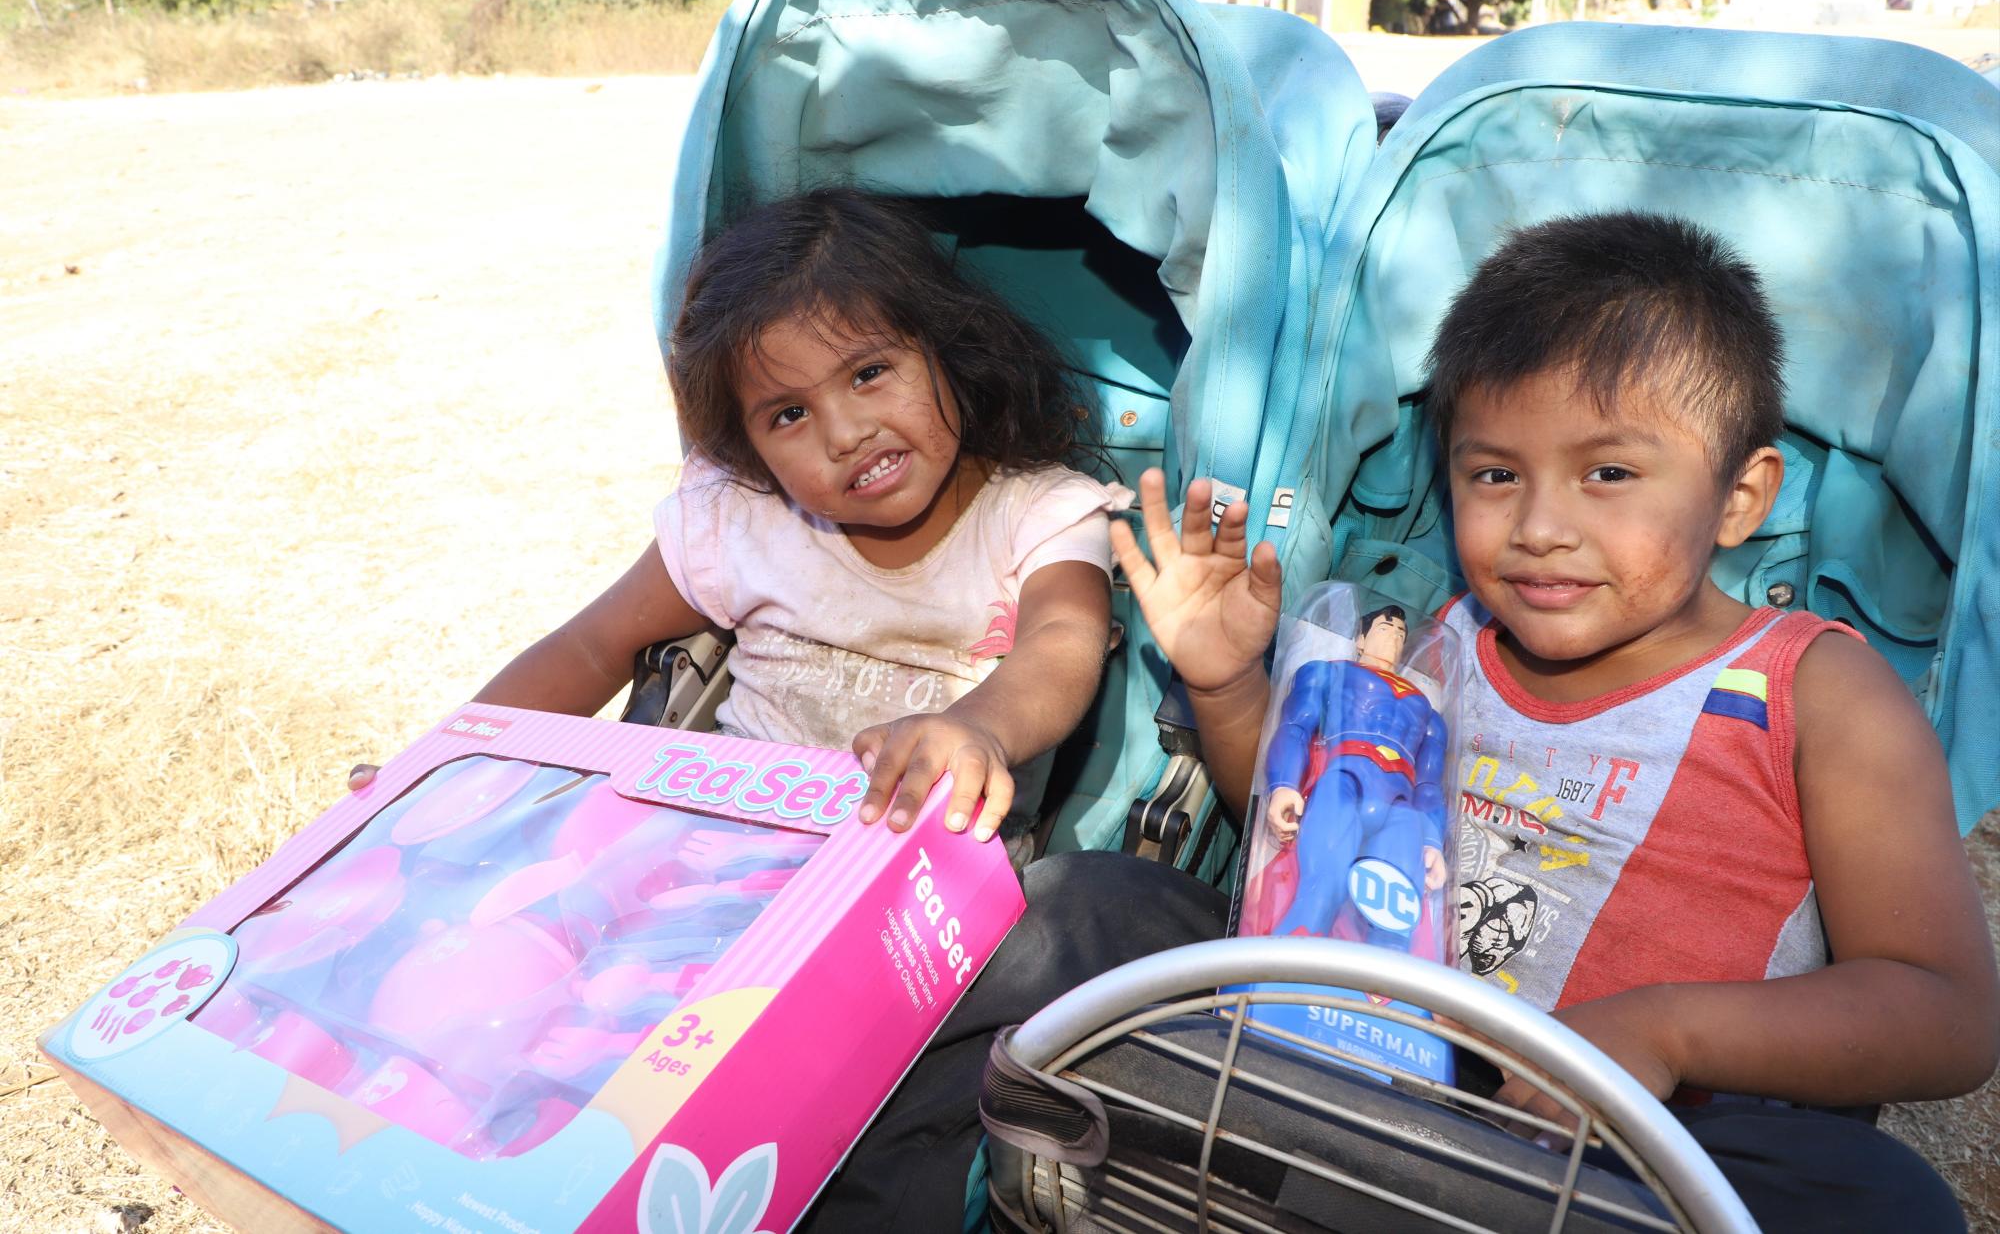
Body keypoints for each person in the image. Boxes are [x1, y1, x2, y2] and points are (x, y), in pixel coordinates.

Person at [1090, 211, 1998, 1228]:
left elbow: (1945, 1010)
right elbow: (1306, 841)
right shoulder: (1445, 643)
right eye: (1493, 474)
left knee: (1879, 1198)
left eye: (1607, 473)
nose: (1538, 528)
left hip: (1640, 1151)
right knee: (1095, 906)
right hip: (1386, 1070)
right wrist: (1223, 687)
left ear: (1739, 498)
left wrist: (1668, 1031)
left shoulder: (1816, 692)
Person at [354, 187, 1127, 844]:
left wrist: (981, 727)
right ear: (749, 447)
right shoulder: (743, 519)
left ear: (945, 349)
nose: (845, 433)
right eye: (789, 414)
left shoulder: (1041, 514)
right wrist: (439, 766)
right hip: (718, 849)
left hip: (924, 880)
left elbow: (1062, 645)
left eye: (869, 372)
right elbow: (591, 646)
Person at [1250, 603, 1449, 947]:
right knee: (1323, 887)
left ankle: (1380, 997)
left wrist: (1432, 839)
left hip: (1401, 806)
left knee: (1395, 918)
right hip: (1344, 780)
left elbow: (1430, 784)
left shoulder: (1428, 713)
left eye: (1400, 635)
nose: (1393, 641)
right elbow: (1296, 727)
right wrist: (1283, 785)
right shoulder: (1328, 673)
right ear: (1360, 638)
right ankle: (1281, 981)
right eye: (1385, 630)